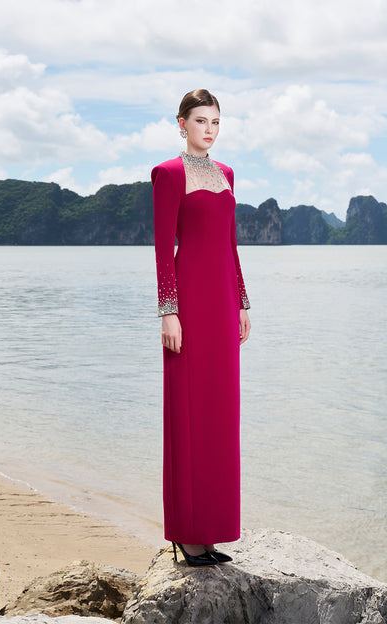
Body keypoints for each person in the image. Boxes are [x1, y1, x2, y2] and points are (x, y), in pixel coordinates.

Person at [152, 89, 251, 567]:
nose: (209, 130)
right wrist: (168, 311)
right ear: (181, 124)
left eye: (215, 122)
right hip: (189, 303)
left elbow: (230, 244)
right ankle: (187, 534)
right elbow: (162, 247)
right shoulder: (167, 174)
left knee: (219, 414)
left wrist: (242, 303)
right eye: (200, 121)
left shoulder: (227, 173)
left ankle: (211, 530)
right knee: (189, 412)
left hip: (222, 303)